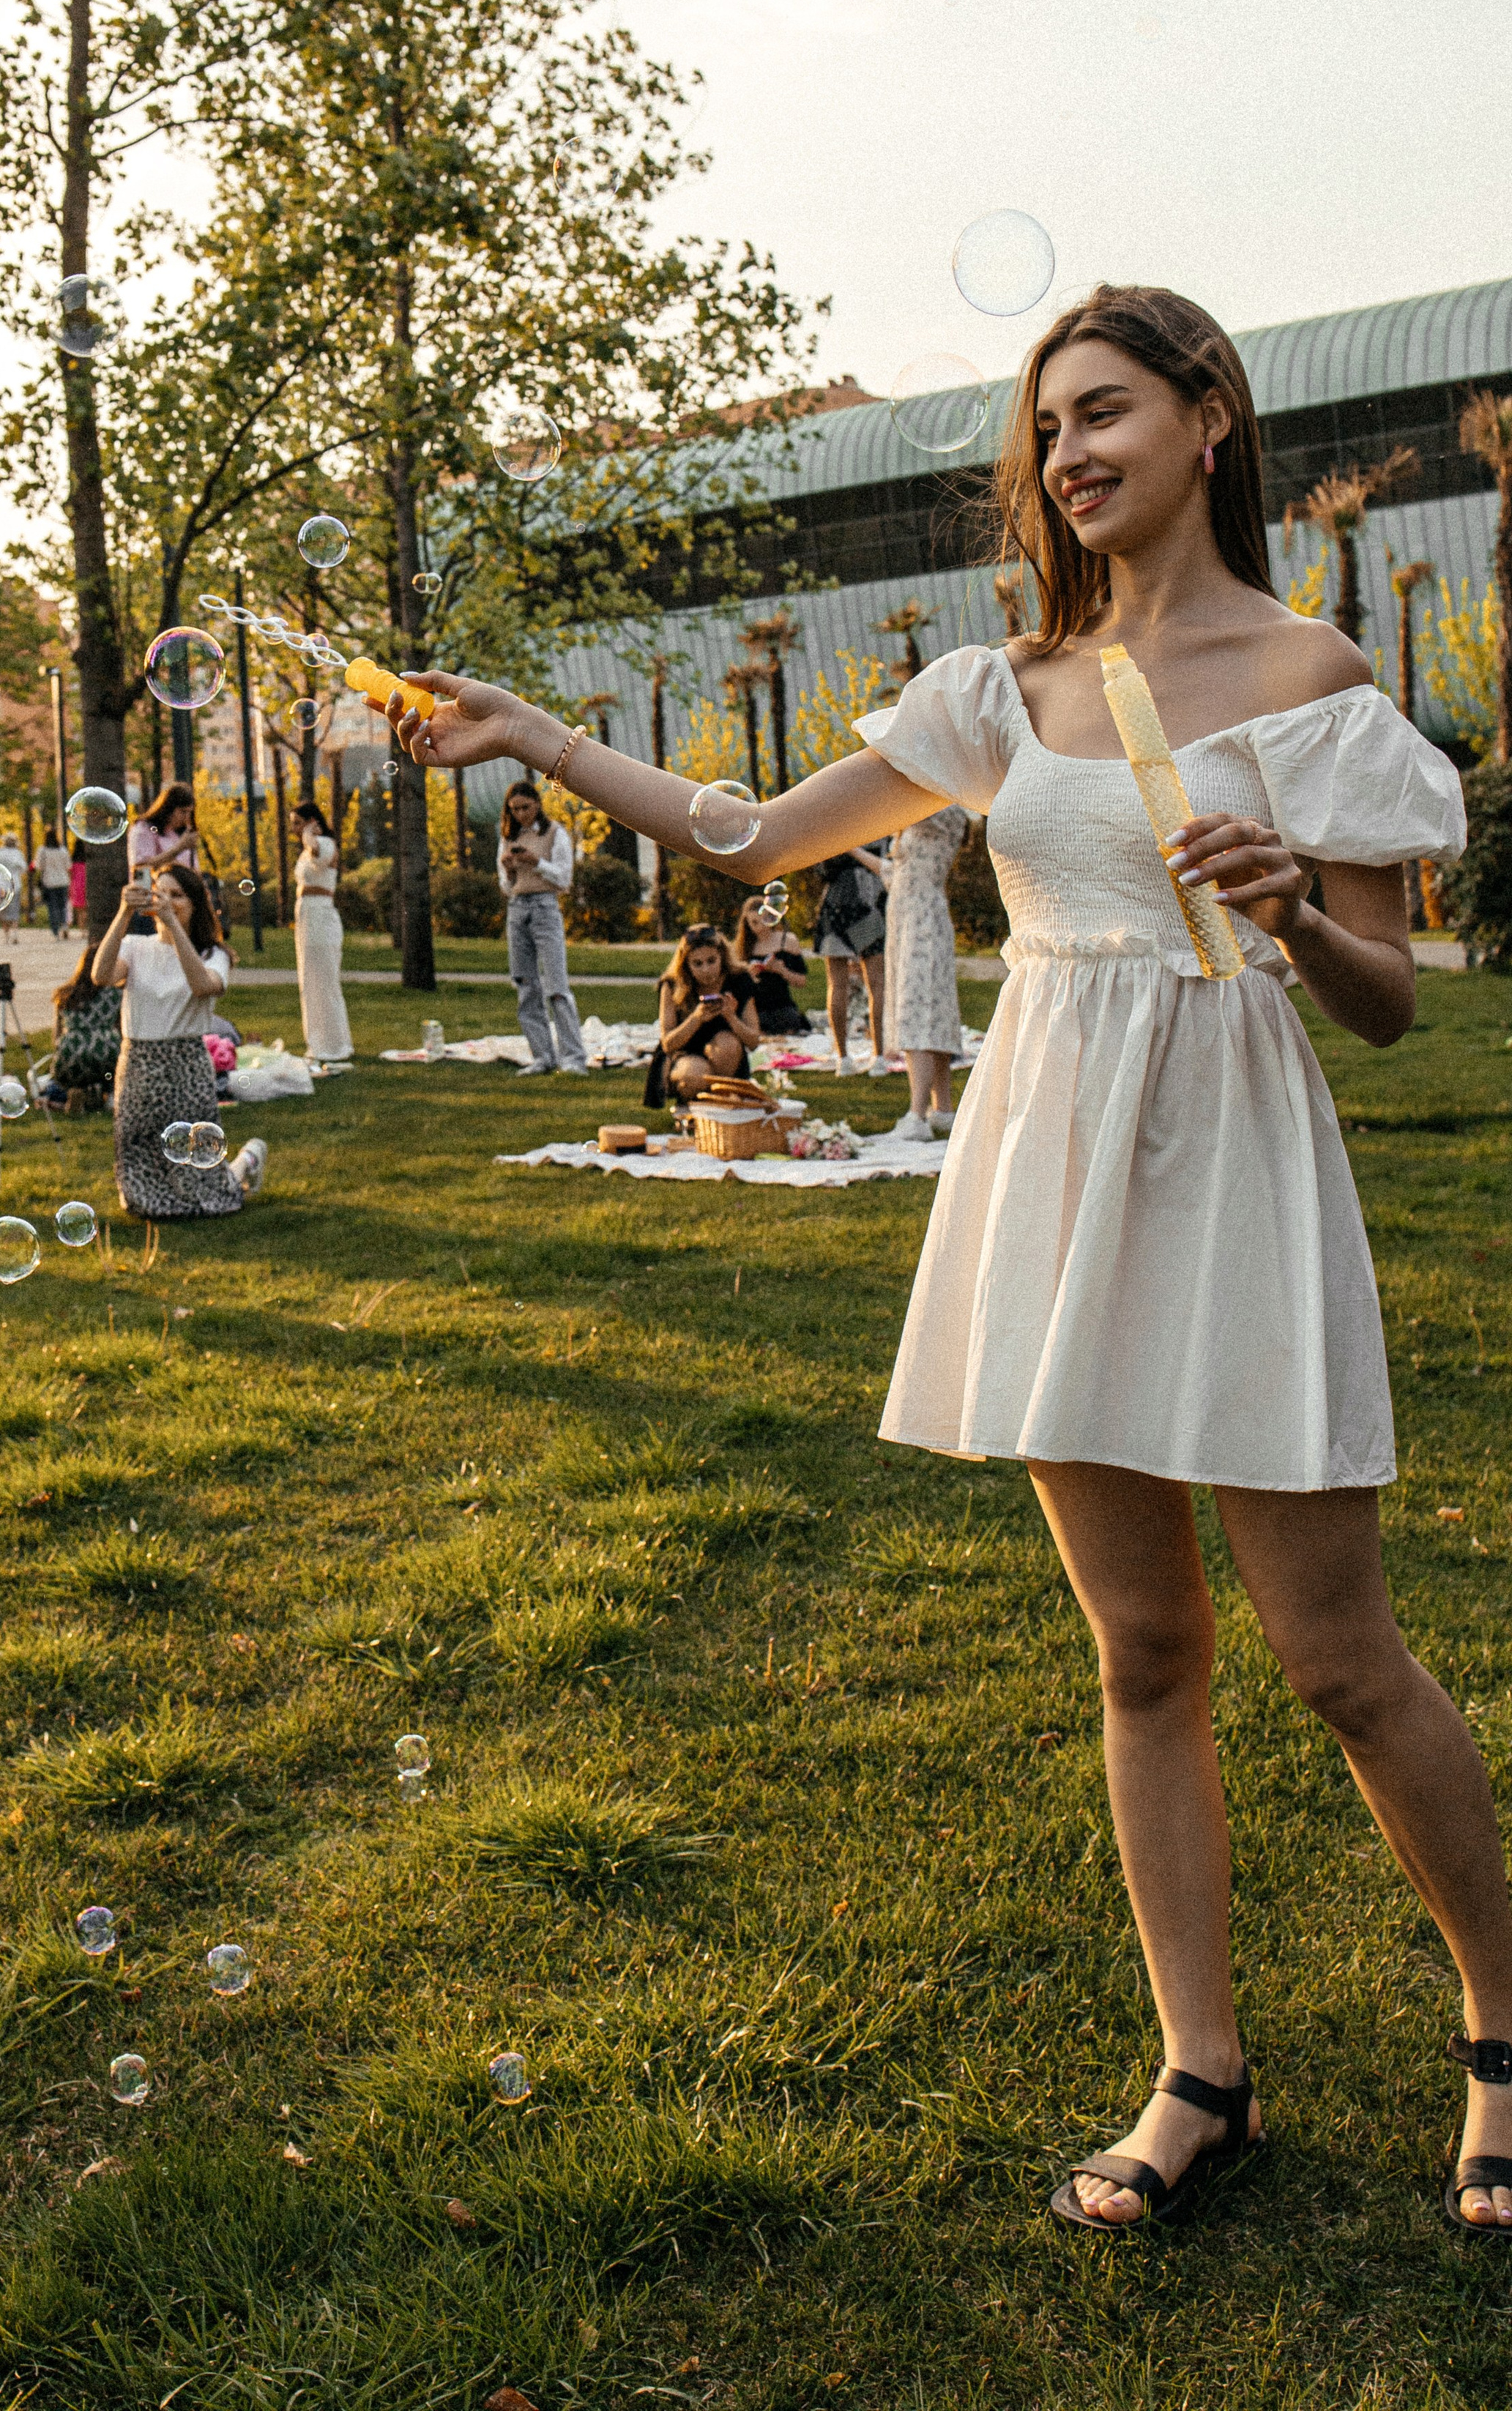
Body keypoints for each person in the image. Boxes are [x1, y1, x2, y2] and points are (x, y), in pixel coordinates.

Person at [369, 283, 1512, 2239]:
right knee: (1142, 1647)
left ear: (1209, 419)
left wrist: (1294, 916)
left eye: (1104, 411)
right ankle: (1198, 2072)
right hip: (1056, 1165)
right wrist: (530, 731)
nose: (1068, 454)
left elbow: (1390, 999)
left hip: (1235, 1164)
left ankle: (1499, 2033)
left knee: (1337, 1657)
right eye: (1046, 427)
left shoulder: (1310, 675)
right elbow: (747, 834)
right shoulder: (1004, 688)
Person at [91, 859, 265, 1218]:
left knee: (204, 1188)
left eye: (177, 895)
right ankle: (162, 1191)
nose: (167, 901)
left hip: (185, 1063)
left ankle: (248, 1160)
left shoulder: (213, 955)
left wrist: (173, 926)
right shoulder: (135, 946)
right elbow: (101, 975)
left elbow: (202, 986)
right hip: (139, 1063)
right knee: (143, 1191)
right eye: (161, 893)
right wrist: (124, 914)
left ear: (195, 904)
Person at [882, 803, 971, 1140]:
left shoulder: (944, 810)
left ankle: (917, 1115)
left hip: (924, 920)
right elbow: (895, 875)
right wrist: (850, 849)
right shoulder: (920, 818)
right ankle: (942, 1108)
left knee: (920, 1009)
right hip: (907, 917)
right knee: (931, 1010)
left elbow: (893, 803)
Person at [497, 778, 586, 1077]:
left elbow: (563, 879)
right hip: (517, 909)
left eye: (525, 807)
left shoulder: (554, 833)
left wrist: (536, 862)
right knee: (525, 985)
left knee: (557, 986)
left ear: (537, 804)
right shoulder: (508, 837)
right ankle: (542, 1056)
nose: (521, 814)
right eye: (515, 810)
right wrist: (510, 870)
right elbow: (506, 887)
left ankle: (573, 1058)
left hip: (545, 907)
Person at [643, 922, 760, 1111]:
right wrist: (696, 1018)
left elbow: (754, 1041)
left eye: (711, 961)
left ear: (722, 956)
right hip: (684, 1053)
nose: (706, 970)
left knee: (728, 1044)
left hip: (726, 1055)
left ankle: (718, 1103)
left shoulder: (739, 979)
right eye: (697, 964)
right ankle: (692, 1106)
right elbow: (668, 1044)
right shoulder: (672, 984)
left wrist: (731, 1017)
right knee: (696, 1073)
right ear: (686, 964)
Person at [813, 841, 889, 1076]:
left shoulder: (834, 827)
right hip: (868, 901)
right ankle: (879, 1057)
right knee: (876, 983)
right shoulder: (878, 824)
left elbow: (821, 870)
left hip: (836, 903)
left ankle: (843, 1058)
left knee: (837, 984)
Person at [292, 801, 353, 1065]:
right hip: (306, 915)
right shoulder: (305, 851)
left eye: (298, 823)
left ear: (311, 822)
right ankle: (316, 1043)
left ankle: (335, 1045)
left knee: (325, 980)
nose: (294, 829)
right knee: (309, 981)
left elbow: (318, 854)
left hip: (321, 914)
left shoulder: (325, 844)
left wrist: (309, 834)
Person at [46, 941, 122, 1112]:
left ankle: (73, 1096)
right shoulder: (115, 993)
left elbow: (56, 1037)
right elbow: (121, 1031)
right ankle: (107, 1096)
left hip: (71, 1052)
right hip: (106, 1051)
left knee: (55, 1082)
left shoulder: (64, 994)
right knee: (113, 1069)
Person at [731, 894, 811, 1035]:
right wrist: (748, 977)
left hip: (783, 1007)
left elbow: (802, 982)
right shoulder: (742, 948)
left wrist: (782, 970)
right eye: (754, 923)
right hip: (755, 1010)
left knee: (789, 1025)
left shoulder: (787, 941)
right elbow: (734, 989)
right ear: (747, 924)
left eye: (765, 920)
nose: (761, 927)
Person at [128, 783, 198, 874]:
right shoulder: (145, 829)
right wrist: (179, 848)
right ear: (168, 809)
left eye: (190, 813)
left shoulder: (176, 833)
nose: (186, 817)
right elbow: (141, 867)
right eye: (183, 812)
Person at [35, 831, 72, 939]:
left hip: (49, 882)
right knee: (63, 905)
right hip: (63, 881)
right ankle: (64, 925)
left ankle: (56, 931)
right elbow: (68, 865)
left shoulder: (43, 850)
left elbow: (39, 866)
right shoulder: (62, 850)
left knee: (53, 907)